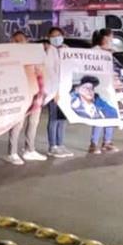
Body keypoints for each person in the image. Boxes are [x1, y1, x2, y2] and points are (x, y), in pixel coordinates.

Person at [4, 30, 46, 165]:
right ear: (12, 41)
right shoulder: (9, 56)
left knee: (33, 122)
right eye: (17, 40)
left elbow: (40, 71)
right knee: (18, 124)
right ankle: (12, 153)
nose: (21, 42)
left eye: (23, 40)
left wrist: (42, 91)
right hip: (20, 95)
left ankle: (30, 149)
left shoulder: (32, 54)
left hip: (35, 93)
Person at [41, 27, 75, 158]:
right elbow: (50, 72)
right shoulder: (50, 51)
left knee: (62, 119)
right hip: (54, 90)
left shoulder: (66, 49)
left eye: (58, 35)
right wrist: (54, 91)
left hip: (66, 90)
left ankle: (60, 144)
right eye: (53, 36)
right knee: (54, 118)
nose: (56, 38)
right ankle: (52, 146)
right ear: (49, 38)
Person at [86, 28, 119, 154]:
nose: (112, 39)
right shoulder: (94, 51)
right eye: (111, 36)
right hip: (98, 88)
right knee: (99, 115)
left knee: (110, 114)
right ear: (105, 38)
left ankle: (107, 142)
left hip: (111, 88)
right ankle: (93, 144)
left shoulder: (112, 52)